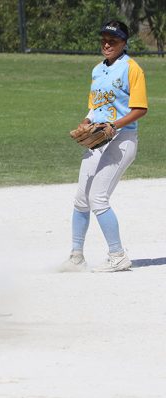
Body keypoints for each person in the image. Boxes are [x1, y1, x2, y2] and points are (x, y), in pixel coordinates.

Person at [61, 20, 148, 273]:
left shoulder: (132, 69)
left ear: (124, 43)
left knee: (98, 198)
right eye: (104, 40)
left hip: (121, 140)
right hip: (97, 139)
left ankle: (118, 255)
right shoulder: (97, 70)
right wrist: (85, 122)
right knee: (81, 199)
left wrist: (114, 125)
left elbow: (140, 109)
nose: (107, 44)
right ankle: (76, 256)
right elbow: (95, 105)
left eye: (114, 40)